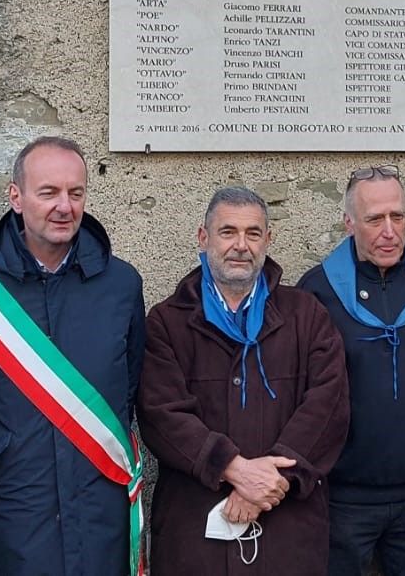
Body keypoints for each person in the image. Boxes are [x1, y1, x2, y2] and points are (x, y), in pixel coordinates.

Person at [0, 137, 147, 576]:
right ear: (16, 197)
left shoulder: (122, 286)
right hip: (5, 519)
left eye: (75, 193)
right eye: (48, 192)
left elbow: (128, 390)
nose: (64, 206)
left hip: (99, 516)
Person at [139, 187, 351, 575]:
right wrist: (232, 468)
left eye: (253, 233)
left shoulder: (306, 315)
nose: (241, 245)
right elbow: (161, 414)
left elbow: (329, 404)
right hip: (195, 536)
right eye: (228, 232)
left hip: (289, 536)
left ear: (267, 240)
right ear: (203, 238)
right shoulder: (166, 322)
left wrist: (269, 481)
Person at [296, 165, 405, 576]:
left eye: (397, 216)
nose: (389, 231)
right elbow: (302, 388)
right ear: (349, 223)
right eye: (374, 219)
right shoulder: (316, 292)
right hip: (342, 496)